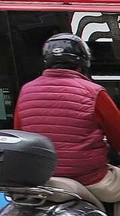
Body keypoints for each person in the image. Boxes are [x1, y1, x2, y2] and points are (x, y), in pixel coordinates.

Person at [14, 33, 120, 202]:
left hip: (42, 179)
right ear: (82, 63)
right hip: (90, 179)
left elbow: (20, 136)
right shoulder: (94, 92)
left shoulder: (26, 91)